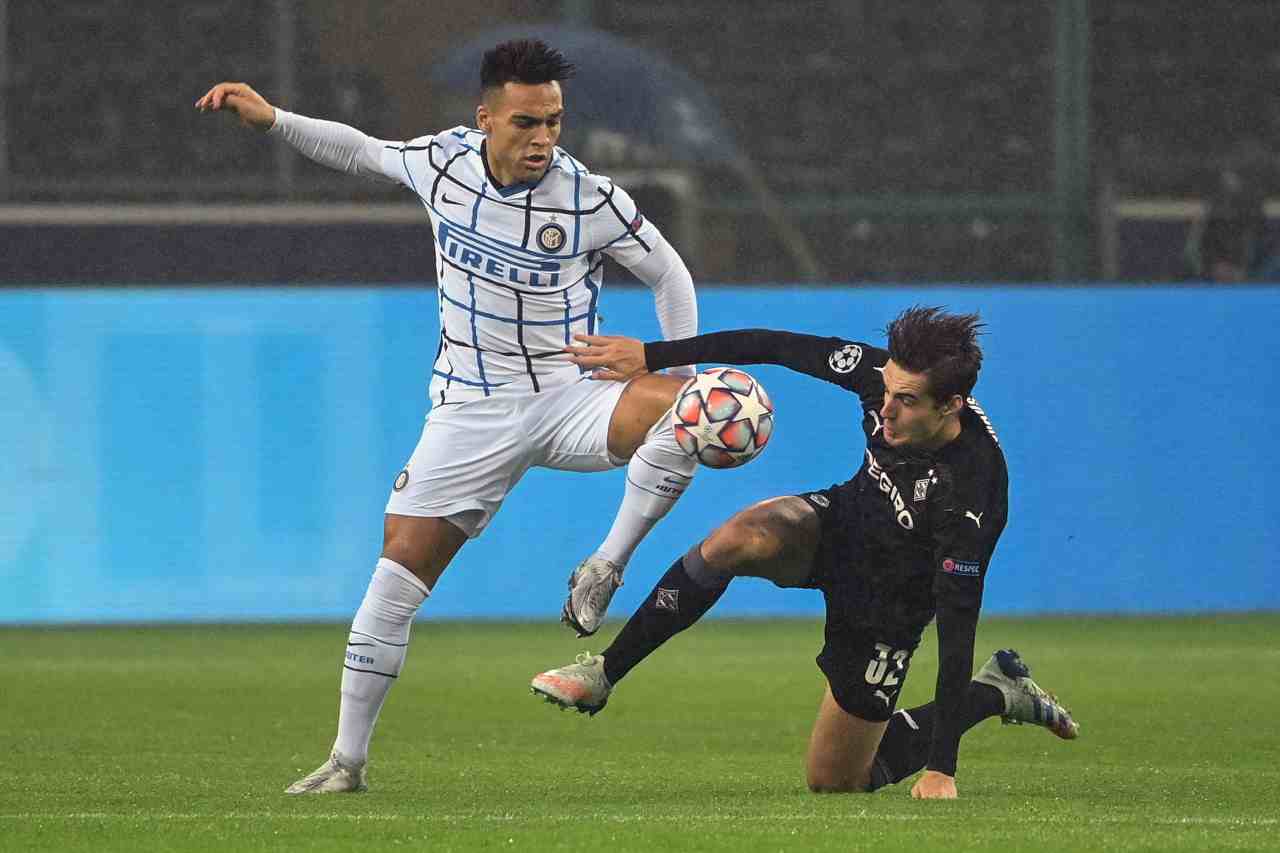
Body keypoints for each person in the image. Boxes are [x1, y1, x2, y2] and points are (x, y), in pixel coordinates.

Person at [196, 39, 702, 794]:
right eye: (527, 122)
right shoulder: (442, 163)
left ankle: (606, 566)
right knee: (394, 580)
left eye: (555, 122)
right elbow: (361, 152)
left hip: (573, 397)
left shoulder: (589, 197)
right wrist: (273, 119)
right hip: (470, 408)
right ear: (486, 116)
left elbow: (669, 271)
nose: (543, 139)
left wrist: (669, 365)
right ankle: (347, 761)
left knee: (707, 408)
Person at [531, 308, 1079, 799]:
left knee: (835, 781)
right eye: (885, 391)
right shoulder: (889, 378)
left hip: (890, 604)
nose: (884, 411)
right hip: (841, 524)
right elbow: (774, 344)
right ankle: (604, 673)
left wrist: (942, 769)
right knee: (738, 537)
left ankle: (994, 693)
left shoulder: (973, 493)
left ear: (951, 406)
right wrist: (653, 356)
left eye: (905, 402)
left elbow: (957, 622)